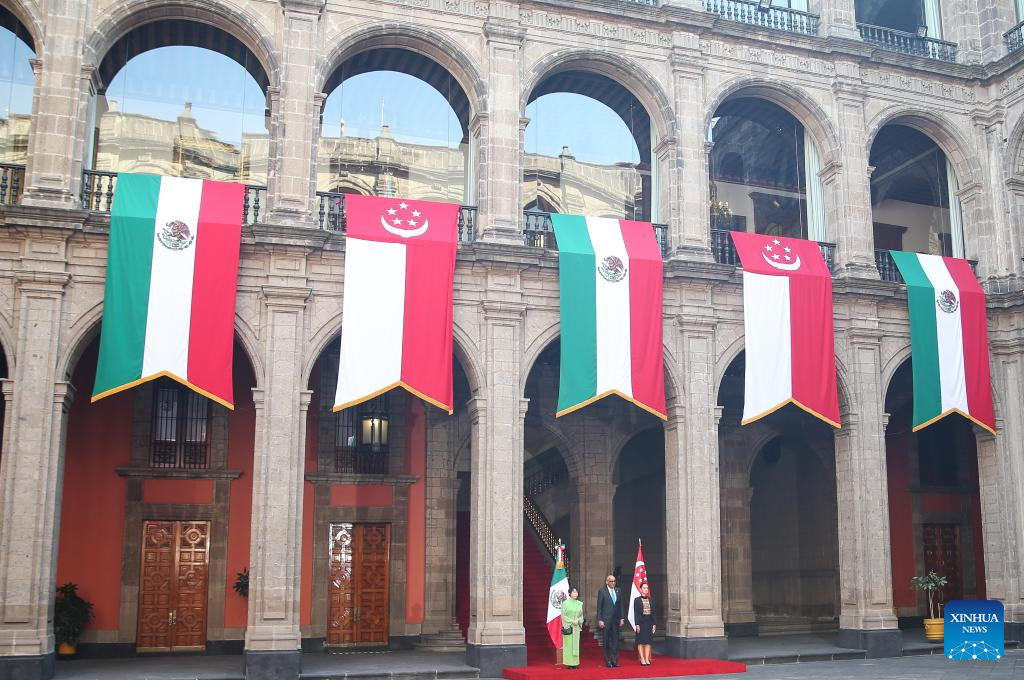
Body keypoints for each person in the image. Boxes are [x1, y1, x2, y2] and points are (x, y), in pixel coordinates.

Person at [596, 574, 624, 668]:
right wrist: (600, 619)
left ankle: (615, 661)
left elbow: (621, 606)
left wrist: (622, 618)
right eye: (611, 581)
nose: (613, 583)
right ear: (607, 582)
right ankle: (608, 661)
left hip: (616, 620)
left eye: (614, 581)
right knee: (606, 641)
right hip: (606, 620)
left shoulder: (618, 591)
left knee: (615, 642)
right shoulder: (602, 591)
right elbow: (599, 607)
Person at [632, 582, 656, 666]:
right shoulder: (637, 600)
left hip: (649, 622)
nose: (646, 589)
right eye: (644, 588)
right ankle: (642, 658)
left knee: (648, 641)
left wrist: (654, 624)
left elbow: (654, 613)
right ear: (640, 589)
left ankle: (646, 658)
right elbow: (636, 613)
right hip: (641, 623)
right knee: (641, 641)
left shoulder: (651, 600)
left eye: (647, 588)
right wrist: (637, 624)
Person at [561, 586, 583, 669]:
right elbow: (563, 616)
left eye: (576, 592)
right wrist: (571, 621)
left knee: (576, 645)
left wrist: (578, 620)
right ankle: (569, 663)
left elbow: (581, 616)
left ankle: (575, 663)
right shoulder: (565, 603)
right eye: (573, 592)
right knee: (569, 645)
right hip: (569, 627)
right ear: (570, 593)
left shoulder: (579, 603)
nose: (575, 593)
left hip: (576, 627)